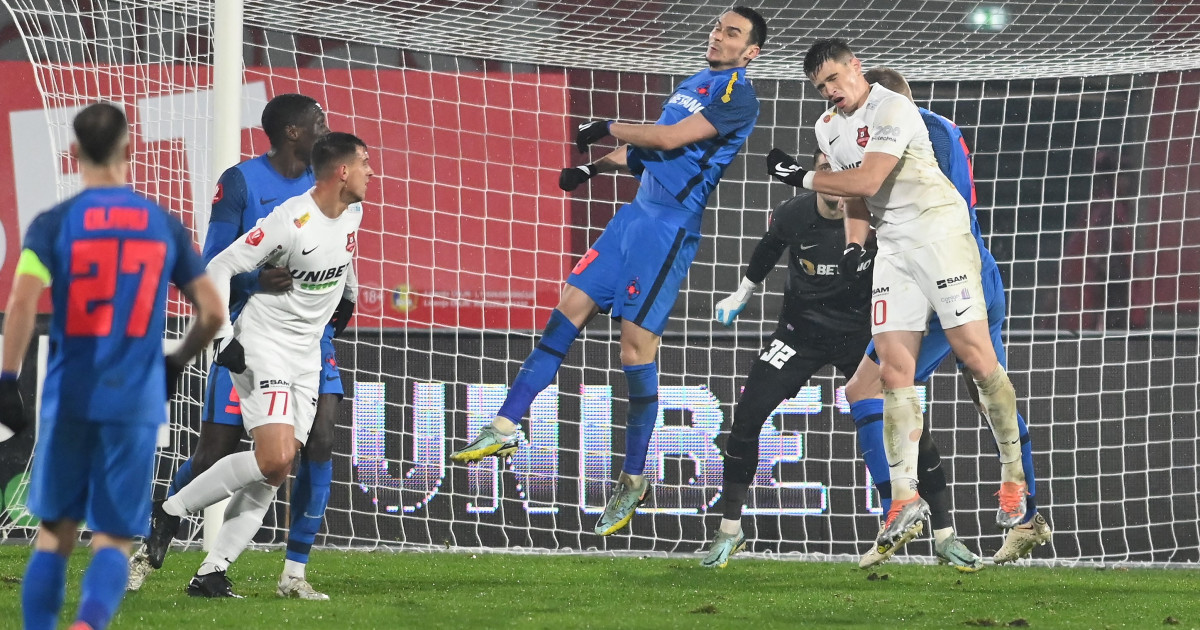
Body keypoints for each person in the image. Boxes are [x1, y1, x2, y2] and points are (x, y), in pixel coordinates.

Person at [448, 6, 768, 537]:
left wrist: (605, 127)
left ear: (750, 52)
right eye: (716, 26)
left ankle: (634, 476)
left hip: (668, 230)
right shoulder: (695, 80)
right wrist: (592, 168)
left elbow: (667, 140)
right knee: (565, 311)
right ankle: (505, 425)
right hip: (632, 218)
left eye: (731, 32)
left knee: (634, 353)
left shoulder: (739, 95)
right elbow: (647, 153)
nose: (718, 35)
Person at [766, 38, 1029, 556]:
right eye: (820, 87)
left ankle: (1013, 478)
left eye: (835, 79)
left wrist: (798, 175)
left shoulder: (894, 105)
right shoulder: (827, 127)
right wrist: (853, 247)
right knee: (890, 371)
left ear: (856, 67)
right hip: (893, 246)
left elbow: (868, 175)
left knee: (977, 359)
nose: (831, 92)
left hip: (938, 234)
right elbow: (858, 196)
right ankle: (905, 499)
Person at [700, 151, 982, 571]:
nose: (835, 180)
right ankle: (729, 531)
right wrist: (742, 293)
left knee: (911, 426)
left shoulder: (878, 218)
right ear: (816, 174)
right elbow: (767, 250)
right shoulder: (794, 213)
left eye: (844, 170)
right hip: (798, 336)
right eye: (827, 169)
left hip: (861, 338)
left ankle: (944, 536)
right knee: (747, 415)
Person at [1, 102, 223, 630]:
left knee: (54, 533)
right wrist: (175, 364)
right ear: (129, 149)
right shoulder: (161, 225)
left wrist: (8, 379)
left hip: (71, 392)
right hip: (135, 396)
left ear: (74, 153)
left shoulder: (54, 224)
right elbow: (212, 311)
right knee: (114, 538)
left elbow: (23, 304)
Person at [128, 93, 355, 600]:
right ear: (293, 132)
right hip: (252, 333)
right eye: (318, 121)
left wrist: (347, 298)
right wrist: (252, 287)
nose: (327, 127)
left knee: (312, 445)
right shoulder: (243, 183)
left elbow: (339, 247)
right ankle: (153, 539)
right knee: (219, 449)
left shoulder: (332, 187)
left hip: (310, 340)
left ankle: (288, 572)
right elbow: (214, 260)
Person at [842, 67, 1050, 567]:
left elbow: (936, 210)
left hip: (947, 275)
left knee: (868, 389)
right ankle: (1025, 517)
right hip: (970, 270)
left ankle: (903, 507)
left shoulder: (923, 131)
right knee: (985, 388)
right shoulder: (928, 126)